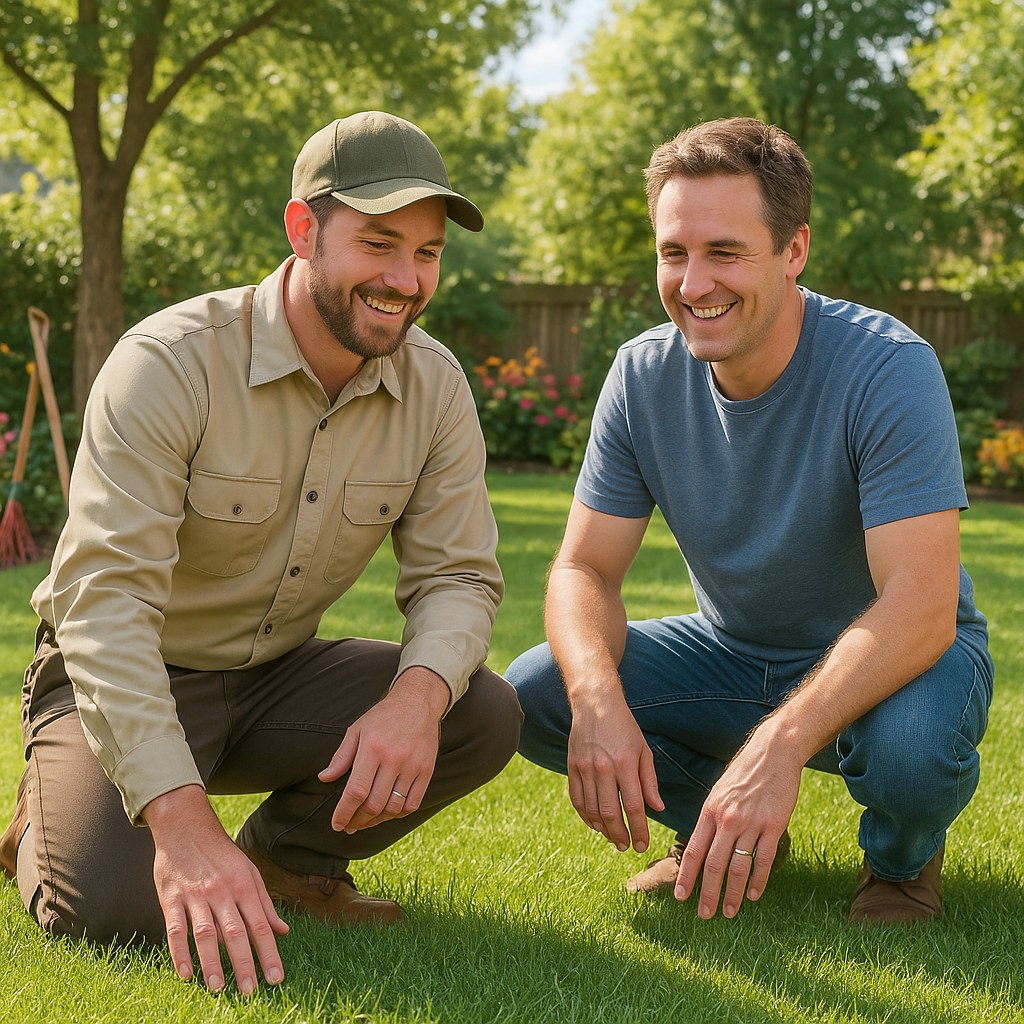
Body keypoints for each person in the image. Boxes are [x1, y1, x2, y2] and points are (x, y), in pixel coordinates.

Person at [0, 110, 522, 995]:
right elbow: (105, 606)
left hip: (275, 676)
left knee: (480, 713)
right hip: (126, 674)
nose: (405, 279)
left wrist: (416, 698)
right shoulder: (168, 365)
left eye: (427, 253)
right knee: (118, 915)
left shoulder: (435, 387)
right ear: (303, 229)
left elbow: (458, 576)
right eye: (379, 243)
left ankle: (289, 862)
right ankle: (48, 813)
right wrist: (181, 823)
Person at [505, 117, 993, 927]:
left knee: (909, 755)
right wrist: (596, 700)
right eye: (674, 253)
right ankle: (719, 830)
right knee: (536, 690)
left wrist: (779, 746)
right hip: (731, 652)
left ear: (794, 250)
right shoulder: (641, 375)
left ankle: (902, 866)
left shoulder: (888, 367)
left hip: (901, 655)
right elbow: (582, 571)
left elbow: (921, 602)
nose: (693, 283)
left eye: (725, 252)